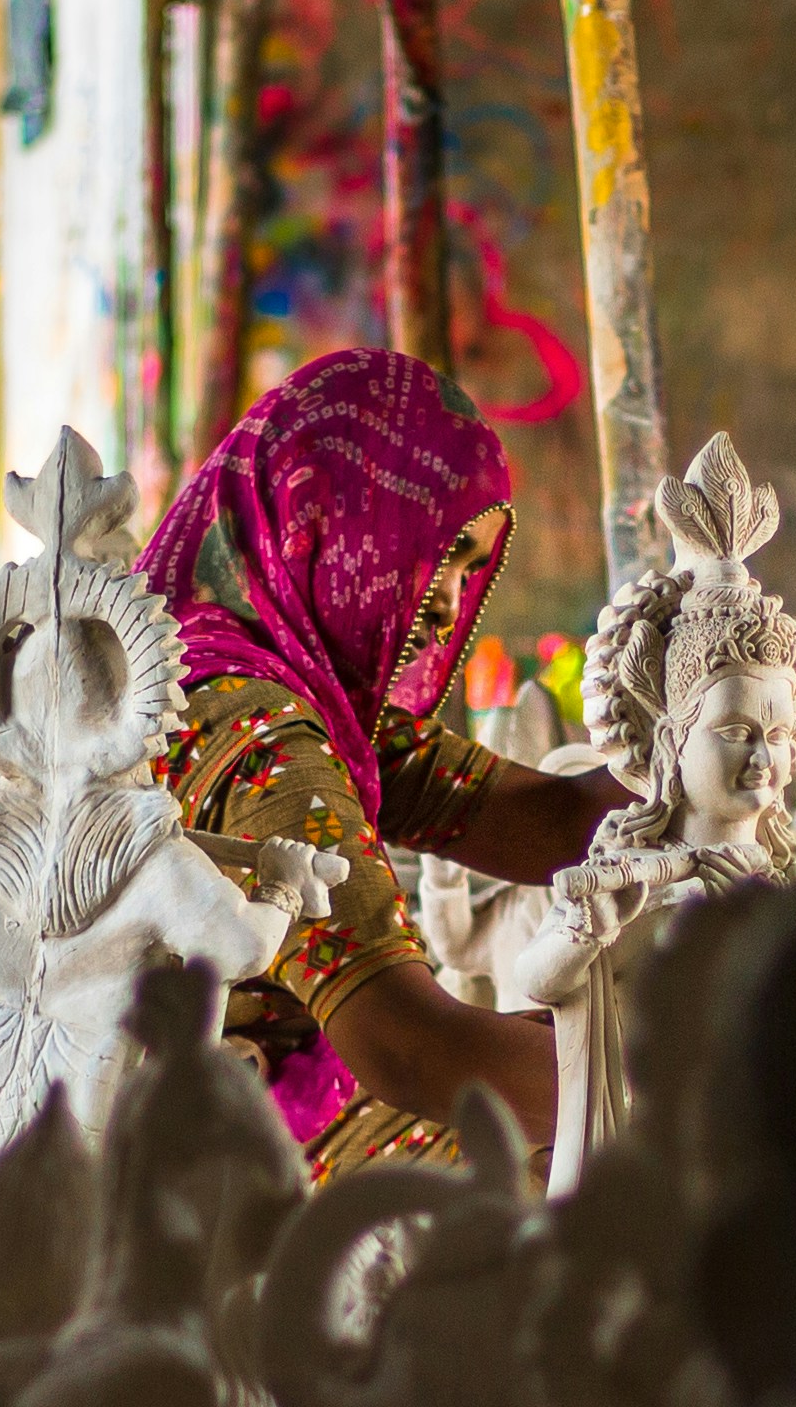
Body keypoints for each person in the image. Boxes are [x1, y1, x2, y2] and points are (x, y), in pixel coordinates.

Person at [143, 350, 625, 1176]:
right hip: (242, 1157)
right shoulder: (242, 720)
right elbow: (411, 1047)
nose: (445, 607)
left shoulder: (299, 696)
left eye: (468, 569)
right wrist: (686, 1086)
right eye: (435, 554)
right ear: (321, 512)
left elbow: (551, 822)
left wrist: (776, 691)